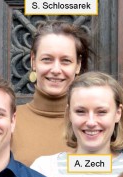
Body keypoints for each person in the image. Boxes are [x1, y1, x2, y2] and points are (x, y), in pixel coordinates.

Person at [12, 20, 94, 166]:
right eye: (47, 59)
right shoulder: (8, 122)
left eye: (65, 61)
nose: (56, 70)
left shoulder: (95, 123)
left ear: (78, 65)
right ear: (33, 61)